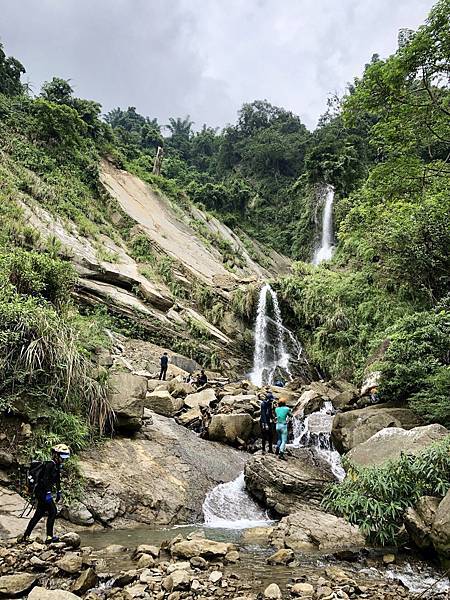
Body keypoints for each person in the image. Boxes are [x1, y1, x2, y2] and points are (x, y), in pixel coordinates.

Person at [18, 444, 71, 544]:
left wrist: (59, 491)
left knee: (38, 514)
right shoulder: (49, 465)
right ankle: (49, 537)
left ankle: (26, 536)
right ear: (56, 455)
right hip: (41, 492)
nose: (63, 460)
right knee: (53, 511)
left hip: (44, 492)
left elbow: (57, 480)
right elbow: (45, 479)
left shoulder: (57, 466)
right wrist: (48, 493)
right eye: (62, 457)